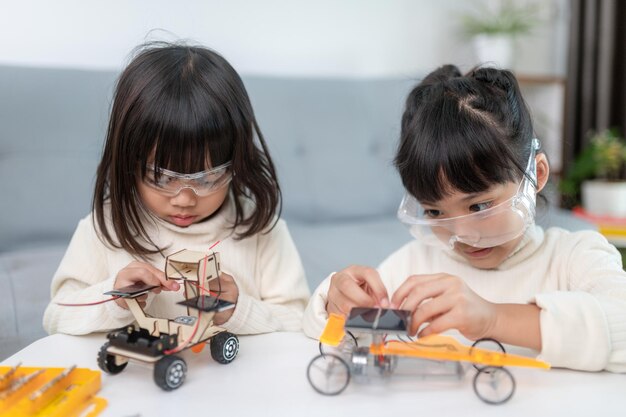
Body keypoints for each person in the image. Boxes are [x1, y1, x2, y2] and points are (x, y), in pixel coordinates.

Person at [303, 65, 626, 372]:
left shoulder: (574, 258)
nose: (462, 235)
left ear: (536, 175)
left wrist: (493, 319)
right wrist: (336, 304)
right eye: (434, 212)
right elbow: (338, 339)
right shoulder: (413, 267)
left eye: (479, 207)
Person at [44, 42, 310, 335]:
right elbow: (57, 315)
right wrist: (115, 299)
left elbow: (298, 320)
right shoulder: (105, 227)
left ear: (237, 163)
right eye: (161, 178)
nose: (184, 200)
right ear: (127, 163)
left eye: (207, 179)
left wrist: (239, 310)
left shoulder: (260, 230)